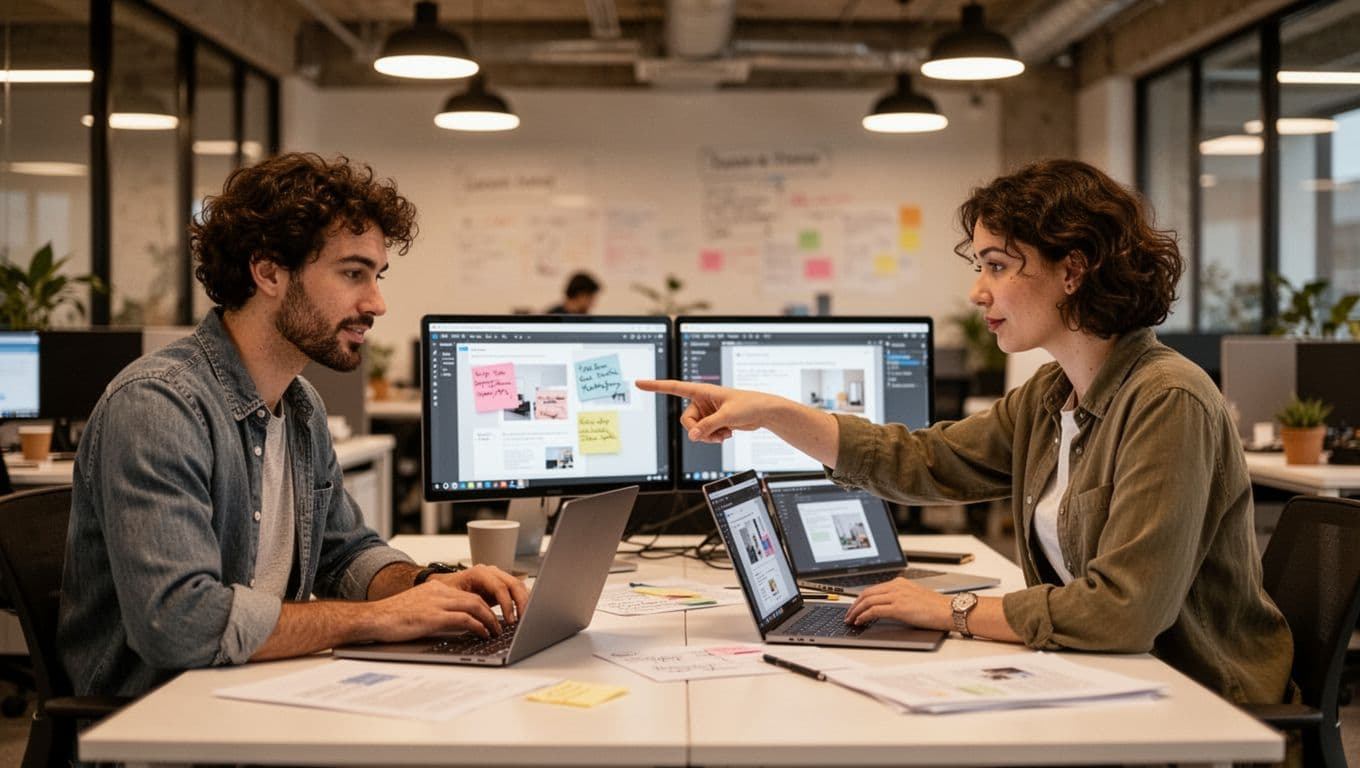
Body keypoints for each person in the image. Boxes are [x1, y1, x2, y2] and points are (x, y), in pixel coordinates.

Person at [638, 159, 1293, 706]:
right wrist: (773, 412)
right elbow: (925, 461)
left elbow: (1126, 611)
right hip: (1109, 678)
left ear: (1074, 269)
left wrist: (950, 612)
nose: (979, 291)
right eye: (979, 266)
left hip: (1198, 704)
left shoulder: (1166, 401)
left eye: (999, 265)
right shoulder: (1050, 396)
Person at [59, 153, 528, 698]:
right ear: (268, 271)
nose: (376, 302)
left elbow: (345, 553)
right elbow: (178, 623)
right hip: (158, 724)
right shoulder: (160, 406)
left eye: (376, 276)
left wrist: (429, 587)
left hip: (257, 691)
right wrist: (379, 619)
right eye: (353, 273)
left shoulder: (299, 405)